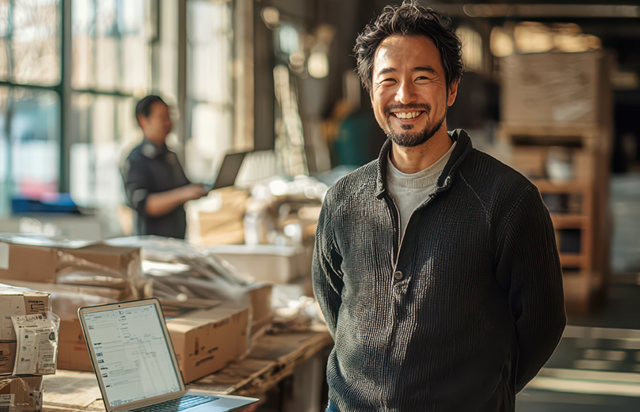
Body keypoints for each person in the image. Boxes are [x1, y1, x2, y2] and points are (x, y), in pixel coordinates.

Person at [311, 2, 566, 411]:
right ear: (370, 89)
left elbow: (542, 324)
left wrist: (480, 391)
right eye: (388, 79)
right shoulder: (343, 200)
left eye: (422, 77)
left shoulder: (507, 199)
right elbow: (333, 303)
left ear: (451, 88)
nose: (404, 95)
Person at [122, 95, 207, 239]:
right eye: (162, 117)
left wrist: (201, 189)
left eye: (169, 116)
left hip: (177, 241)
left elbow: (184, 186)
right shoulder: (136, 159)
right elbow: (145, 205)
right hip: (151, 246)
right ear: (143, 120)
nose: (168, 122)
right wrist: (184, 194)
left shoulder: (171, 155)